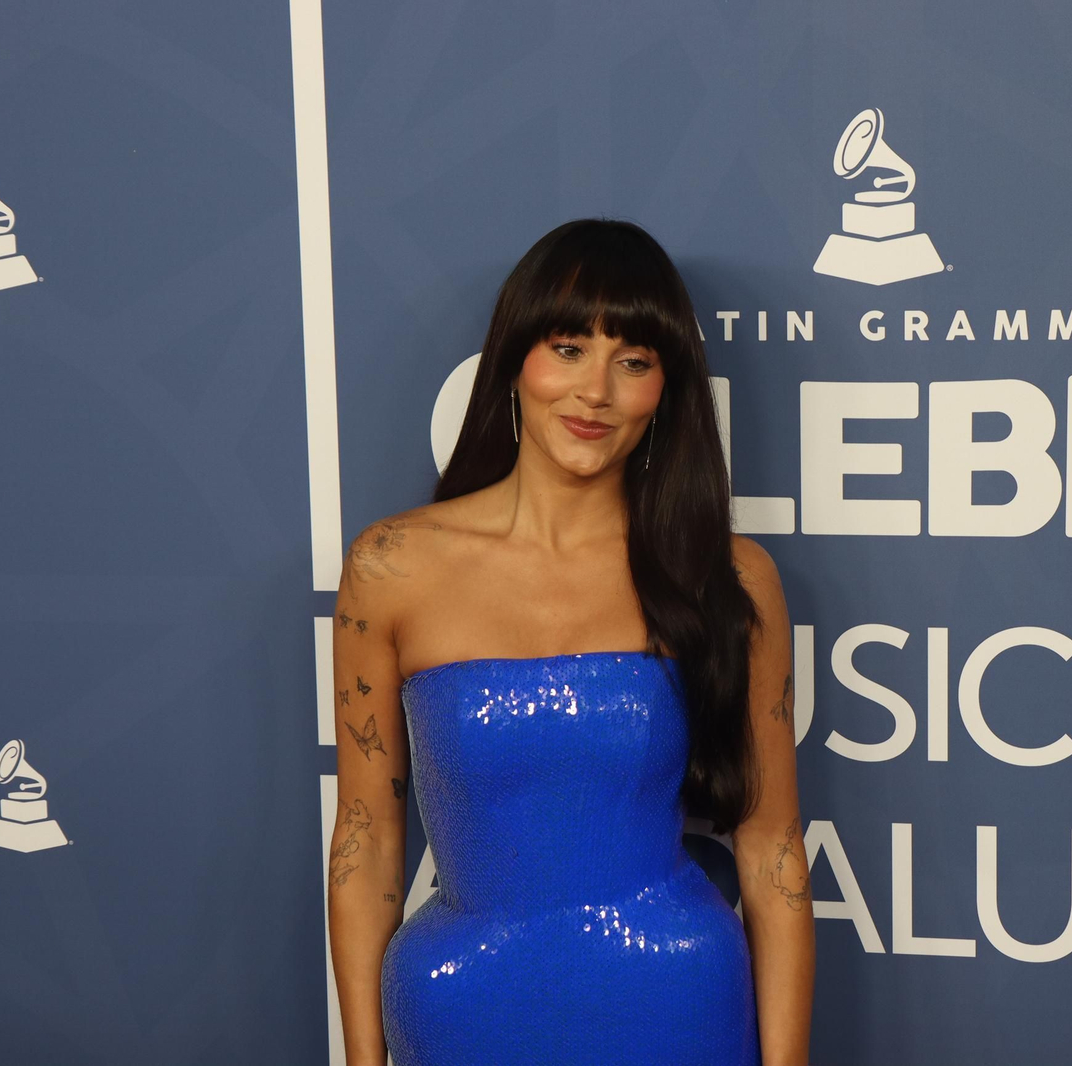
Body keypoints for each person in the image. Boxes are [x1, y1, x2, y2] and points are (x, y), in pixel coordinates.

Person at [326, 218, 815, 1065]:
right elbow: (366, 836)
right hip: (459, 1002)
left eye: (634, 361)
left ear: (667, 390)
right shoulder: (391, 567)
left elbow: (772, 848)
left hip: (677, 998)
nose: (595, 392)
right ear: (516, 359)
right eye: (568, 348)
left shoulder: (728, 576)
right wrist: (364, 1059)